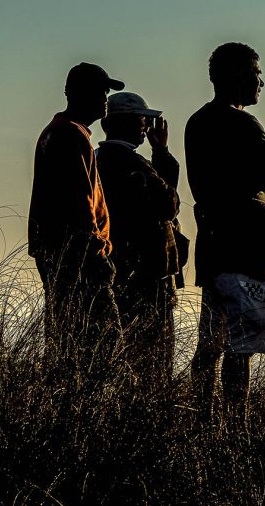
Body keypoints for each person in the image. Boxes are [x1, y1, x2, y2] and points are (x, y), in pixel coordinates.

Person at [186, 42, 265, 423]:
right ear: (237, 76)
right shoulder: (241, 123)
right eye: (255, 72)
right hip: (247, 255)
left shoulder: (197, 122)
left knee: (211, 343)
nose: (261, 81)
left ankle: (201, 419)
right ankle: (236, 428)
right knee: (242, 346)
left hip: (216, 249)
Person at [28, 62, 124, 367]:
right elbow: (80, 203)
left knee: (67, 339)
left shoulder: (61, 132)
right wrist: (97, 255)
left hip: (61, 253)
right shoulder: (71, 136)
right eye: (100, 90)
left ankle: (68, 402)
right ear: (77, 93)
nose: (106, 97)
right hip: (78, 256)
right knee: (104, 344)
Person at [96, 91, 188, 381]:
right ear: (125, 123)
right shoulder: (130, 165)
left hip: (122, 271)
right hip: (147, 278)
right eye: (143, 121)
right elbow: (168, 204)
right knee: (154, 360)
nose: (147, 127)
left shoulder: (98, 160)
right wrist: (160, 154)